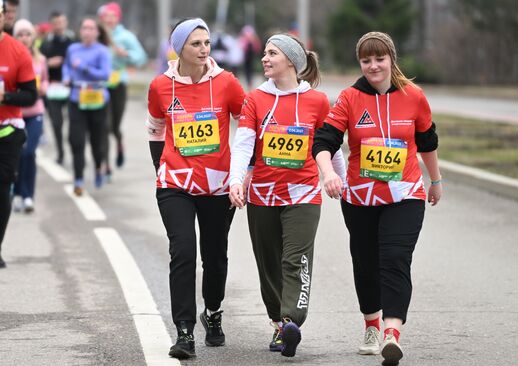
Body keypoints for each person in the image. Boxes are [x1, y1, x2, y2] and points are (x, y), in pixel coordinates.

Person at [312, 31, 442, 365]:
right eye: (366, 60)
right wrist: (329, 173)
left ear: (391, 59)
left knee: (395, 258)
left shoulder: (414, 96)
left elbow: (427, 142)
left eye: (379, 58)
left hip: (405, 193)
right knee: (366, 261)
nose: (373, 66)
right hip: (360, 197)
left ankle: (391, 333)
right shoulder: (349, 98)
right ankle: (371, 324)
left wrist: (436, 180)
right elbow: (324, 141)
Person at [228, 33, 346, 358]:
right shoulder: (255, 99)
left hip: (303, 194)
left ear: (292, 61)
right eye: (264, 53)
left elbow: (329, 145)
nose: (264, 58)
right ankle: (279, 324)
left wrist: (340, 179)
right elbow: (243, 144)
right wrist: (236, 180)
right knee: (269, 264)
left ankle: (292, 321)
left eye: (272, 53)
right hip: (262, 195)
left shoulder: (318, 102)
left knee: (295, 259)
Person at [145, 18, 245, 359]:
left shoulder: (228, 83)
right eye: (196, 44)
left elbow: (246, 127)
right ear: (179, 49)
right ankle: (184, 331)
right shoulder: (160, 86)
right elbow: (155, 127)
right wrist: (161, 167)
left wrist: (241, 174)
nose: (204, 50)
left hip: (217, 187)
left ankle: (213, 313)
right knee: (183, 251)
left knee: (214, 256)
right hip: (175, 184)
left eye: (206, 43)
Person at [0, 5, 38, 268]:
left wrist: (5, 97)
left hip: (7, 131)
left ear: (3, 17)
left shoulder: (17, 50)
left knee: (2, 191)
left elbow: (30, 96)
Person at [62, 16, 111, 196]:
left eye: (91, 28)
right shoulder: (73, 49)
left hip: (97, 101)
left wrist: (83, 67)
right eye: (84, 28)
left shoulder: (103, 51)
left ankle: (99, 166)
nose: (87, 31)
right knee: (76, 141)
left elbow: (105, 74)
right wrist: (66, 77)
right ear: (80, 31)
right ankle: (78, 179)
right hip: (77, 100)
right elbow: (66, 67)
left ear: (97, 32)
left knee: (97, 143)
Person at [98, 2, 147, 177]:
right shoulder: (98, 35)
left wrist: (126, 55)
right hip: (99, 86)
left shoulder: (125, 36)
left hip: (119, 83)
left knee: (113, 127)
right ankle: (105, 165)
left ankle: (119, 140)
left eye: (112, 16)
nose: (109, 20)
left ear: (117, 18)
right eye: (106, 17)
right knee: (103, 126)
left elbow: (141, 58)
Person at [12, 19, 48, 213]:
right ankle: (17, 192)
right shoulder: (11, 57)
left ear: (33, 37)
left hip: (35, 112)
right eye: (20, 34)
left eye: (27, 34)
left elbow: (45, 82)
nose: (24, 38)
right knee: (16, 154)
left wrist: (41, 88)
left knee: (29, 152)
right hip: (15, 112)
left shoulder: (40, 59)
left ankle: (28, 196)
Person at [40, 11, 73, 165]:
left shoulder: (72, 42)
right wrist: (48, 63)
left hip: (70, 86)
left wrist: (66, 61)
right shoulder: (46, 43)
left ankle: (75, 149)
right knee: (56, 123)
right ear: (51, 25)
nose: (59, 26)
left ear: (66, 23)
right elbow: (38, 62)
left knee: (74, 122)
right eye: (56, 23)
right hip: (53, 87)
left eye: (62, 22)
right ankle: (60, 152)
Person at [238, 25, 261, 90]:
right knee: (247, 71)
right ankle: (249, 83)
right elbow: (242, 47)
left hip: (250, 58)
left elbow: (257, 49)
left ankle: (249, 83)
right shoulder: (247, 40)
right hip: (247, 58)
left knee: (249, 71)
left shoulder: (252, 41)